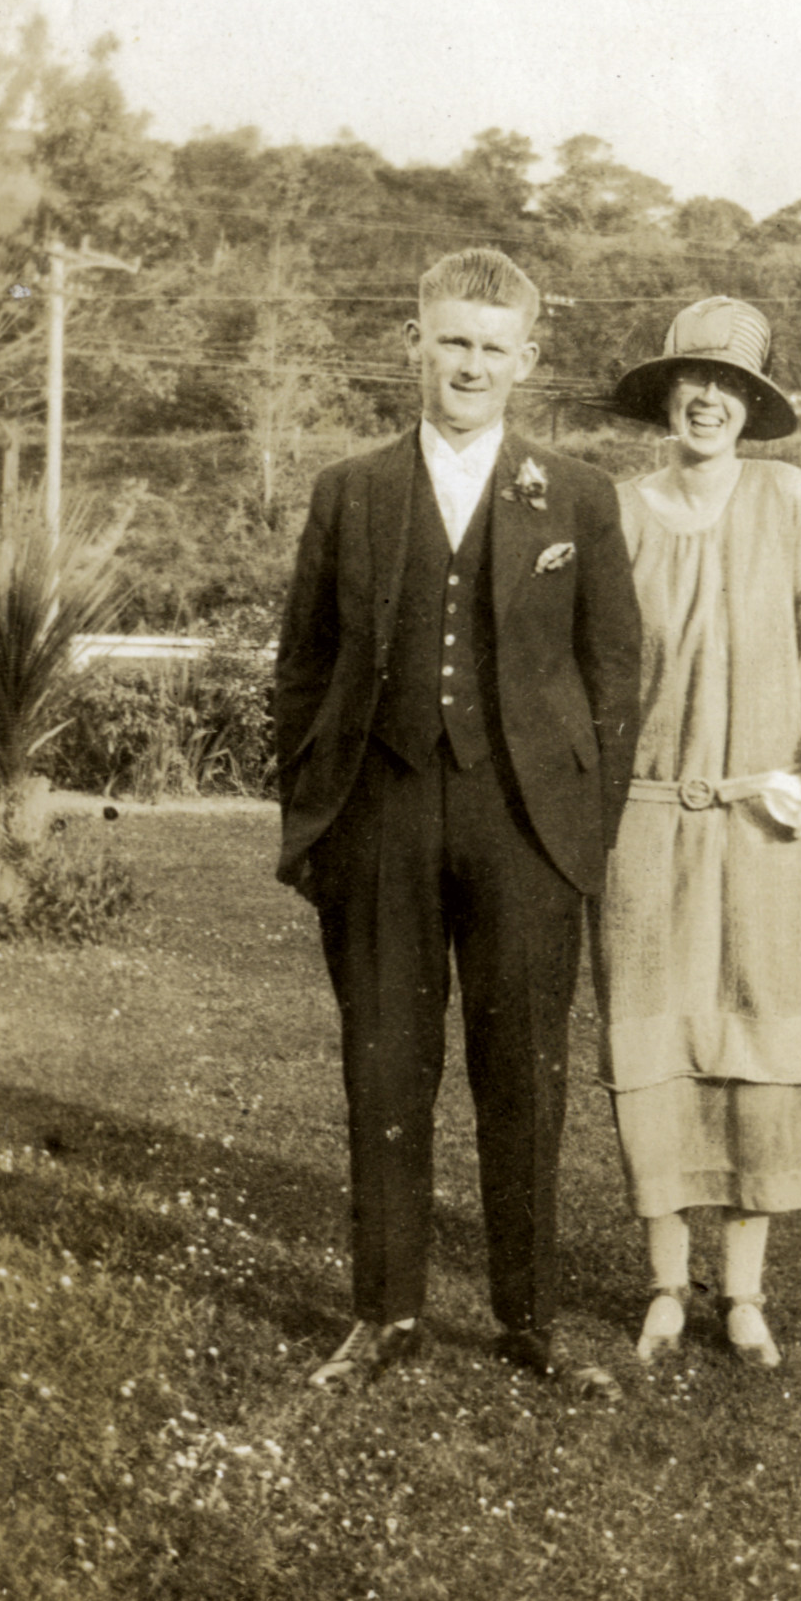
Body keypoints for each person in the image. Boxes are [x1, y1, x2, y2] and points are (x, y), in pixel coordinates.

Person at [275, 247, 641, 1394]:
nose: (470, 363)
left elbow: (615, 675)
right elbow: (301, 666)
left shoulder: (577, 492)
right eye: (453, 341)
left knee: (522, 1074)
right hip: (378, 816)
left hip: (525, 825)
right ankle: (384, 1314)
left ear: (525, 361)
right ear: (415, 345)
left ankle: (527, 1320)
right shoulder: (352, 489)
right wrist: (316, 813)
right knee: (384, 1068)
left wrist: (580, 829)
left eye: (494, 346)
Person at [591, 296, 801, 1370]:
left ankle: (743, 1291)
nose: (707, 397)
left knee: (761, 1045)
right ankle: (667, 1283)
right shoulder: (614, 509)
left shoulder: (789, 496)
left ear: (751, 406)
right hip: (646, 820)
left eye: (731, 385)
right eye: (691, 378)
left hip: (768, 818)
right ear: (667, 393)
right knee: (653, 1046)